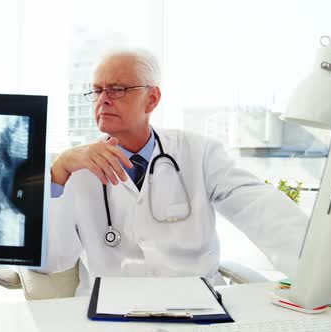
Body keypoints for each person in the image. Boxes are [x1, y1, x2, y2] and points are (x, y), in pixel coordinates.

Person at [42, 49, 309, 296]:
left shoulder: (199, 152)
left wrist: (319, 267)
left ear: (152, 99)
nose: (102, 100)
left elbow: (260, 208)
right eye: (97, 91)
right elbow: (53, 260)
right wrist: (58, 172)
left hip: (194, 304)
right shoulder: (74, 168)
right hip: (111, 309)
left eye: (117, 89)